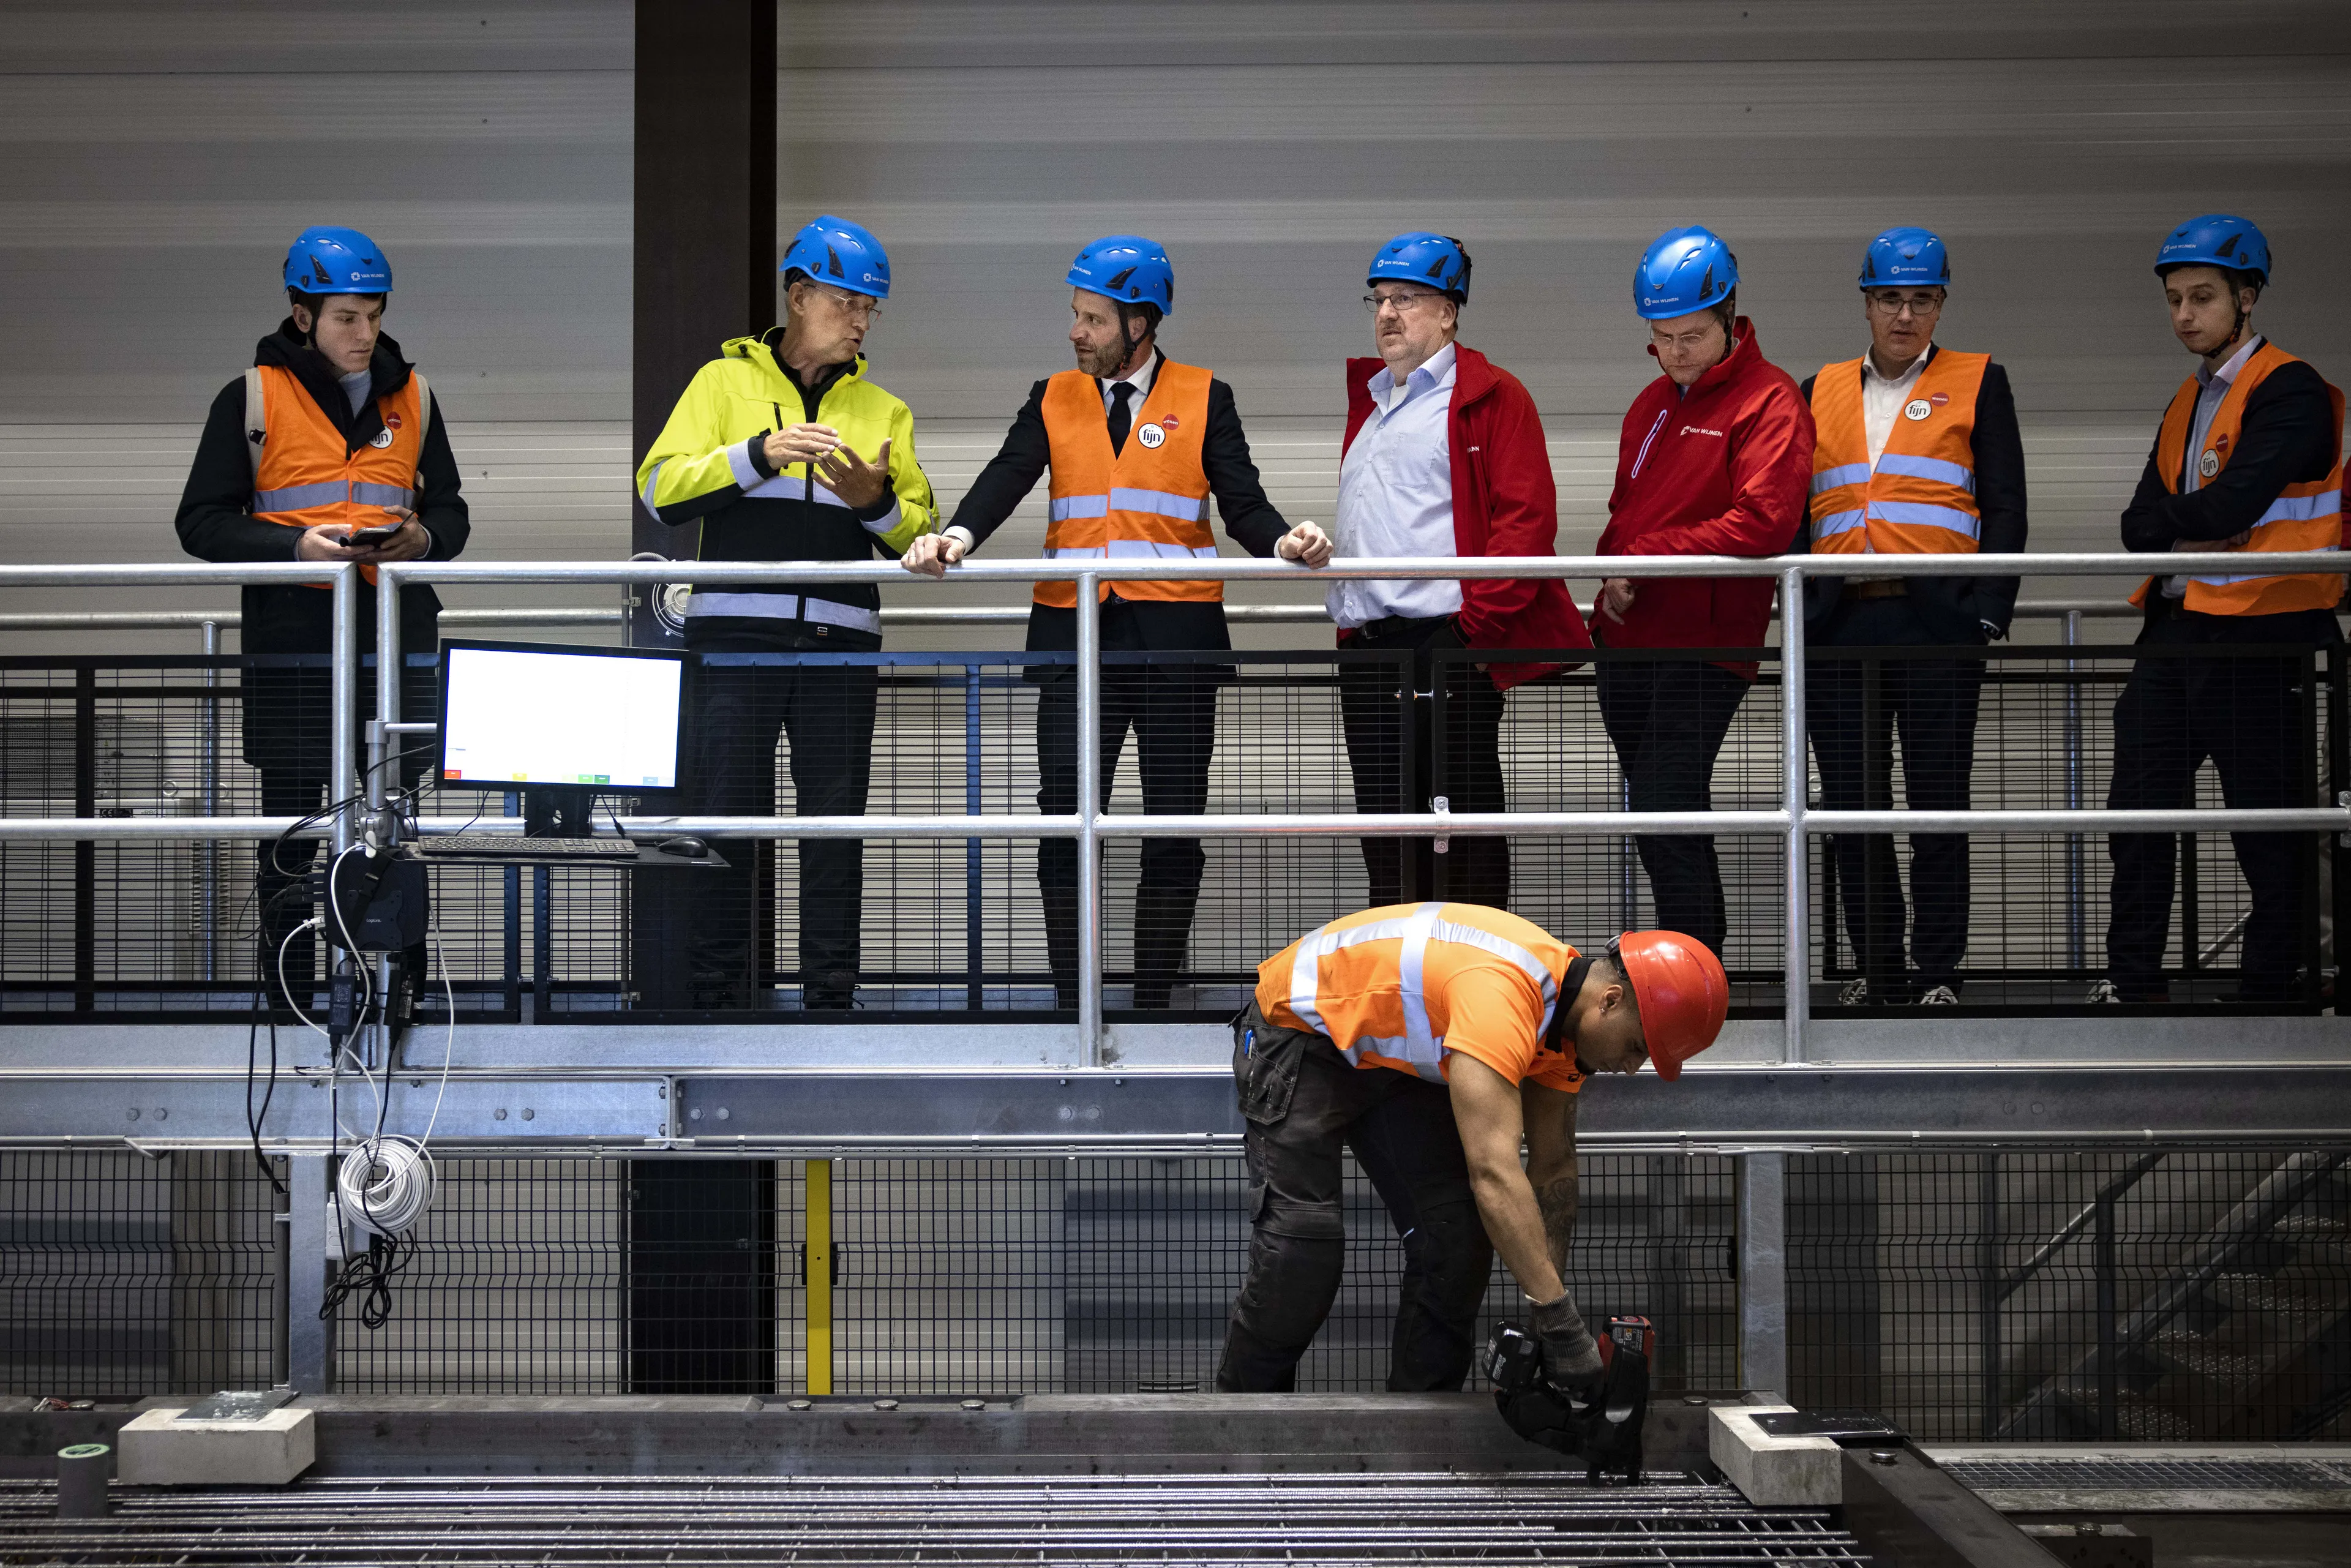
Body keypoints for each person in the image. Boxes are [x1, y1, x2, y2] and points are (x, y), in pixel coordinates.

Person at [902, 236, 1325, 1010]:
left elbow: (1243, 502)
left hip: (1177, 642)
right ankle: (1075, 998)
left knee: (1172, 826)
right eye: (1075, 316)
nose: (1076, 332)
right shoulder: (1052, 395)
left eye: (1093, 319)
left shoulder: (1205, 395)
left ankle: (1154, 997)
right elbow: (1006, 475)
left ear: (1141, 323)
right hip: (1074, 638)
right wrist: (956, 538)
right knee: (1066, 823)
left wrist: (1284, 543)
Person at [1214, 909, 1728, 1397]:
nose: (1633, 1066)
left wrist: (1549, 1325)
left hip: (1389, 1057)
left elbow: (1552, 1170)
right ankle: (1240, 1429)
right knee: (1302, 1252)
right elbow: (1494, 1172)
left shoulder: (1564, 1034)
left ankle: (1419, 1443)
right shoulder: (1501, 997)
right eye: (1638, 1047)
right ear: (1610, 1000)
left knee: (1456, 1239)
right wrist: (1561, 1320)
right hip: (1300, 1030)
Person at [637, 215, 936, 1010]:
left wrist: (874, 503)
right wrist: (758, 454)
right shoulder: (720, 385)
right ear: (798, 297)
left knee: (835, 829)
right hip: (733, 638)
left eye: (872, 309)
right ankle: (715, 991)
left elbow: (919, 529)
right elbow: (660, 489)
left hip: (842, 639)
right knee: (726, 816)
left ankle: (831, 994)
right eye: (848, 303)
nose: (863, 322)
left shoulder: (885, 410)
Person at [174, 225, 467, 1005]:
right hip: (296, 649)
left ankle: (393, 996)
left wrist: (423, 537)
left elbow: (452, 512)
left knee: (394, 836)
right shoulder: (252, 399)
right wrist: (292, 548)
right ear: (302, 315)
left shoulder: (417, 395)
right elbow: (201, 522)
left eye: (373, 314)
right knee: (294, 841)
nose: (364, 332)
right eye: (345, 316)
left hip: (393, 646)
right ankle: (293, 1002)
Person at [2098, 214, 2344, 1007]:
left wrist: (2196, 511)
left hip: (2262, 638)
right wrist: (2197, 512)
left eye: (2201, 297)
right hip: (2173, 637)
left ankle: (2271, 994)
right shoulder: (2188, 400)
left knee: (2268, 831)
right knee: (2137, 821)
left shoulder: (2291, 389)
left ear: (2248, 297)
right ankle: (2134, 983)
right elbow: (2142, 524)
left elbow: (2226, 504)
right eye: (2174, 299)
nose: (2183, 315)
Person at [1799, 228, 2028, 1007]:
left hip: (1937, 624)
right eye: (1891, 298)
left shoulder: (1979, 380)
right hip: (1838, 624)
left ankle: (1937, 973)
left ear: (1940, 305)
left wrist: (1989, 615)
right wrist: (1796, 611)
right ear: (1867, 303)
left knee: (1939, 803)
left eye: (1921, 299)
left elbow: (2004, 504)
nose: (1905, 314)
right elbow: (1798, 508)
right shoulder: (1818, 387)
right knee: (1850, 809)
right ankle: (1880, 970)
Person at [1327, 233, 1588, 910]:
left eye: (1406, 300)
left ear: (1449, 312)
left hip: (1446, 645)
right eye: (1379, 300)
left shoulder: (1493, 398)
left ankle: (1479, 985)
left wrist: (1471, 633)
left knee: (1460, 830)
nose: (1387, 314)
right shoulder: (1375, 400)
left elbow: (1526, 525)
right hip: (1371, 651)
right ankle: (1400, 991)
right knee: (1386, 833)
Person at [1592, 227, 1814, 959]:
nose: (1678, 351)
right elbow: (1626, 515)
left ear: (1730, 318)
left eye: (1693, 335)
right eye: (1663, 337)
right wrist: (1612, 578)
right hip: (1628, 641)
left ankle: (1695, 967)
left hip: (1705, 644)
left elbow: (1764, 522)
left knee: (1665, 799)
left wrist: (1643, 559)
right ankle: (1685, 968)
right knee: (1656, 813)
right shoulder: (1649, 404)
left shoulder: (1769, 400)